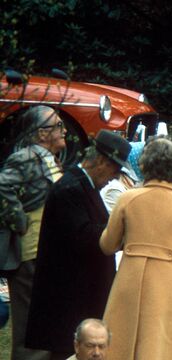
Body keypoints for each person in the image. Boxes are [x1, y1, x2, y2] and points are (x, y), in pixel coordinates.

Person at [25, 130, 131, 359]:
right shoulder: (70, 189)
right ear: (102, 161)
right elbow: (85, 238)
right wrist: (122, 233)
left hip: (82, 294)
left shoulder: (85, 185)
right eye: (115, 170)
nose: (115, 178)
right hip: (69, 299)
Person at [100, 137, 172, 359]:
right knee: (160, 345)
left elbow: (107, 245)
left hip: (129, 279)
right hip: (168, 283)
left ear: (144, 165)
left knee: (120, 344)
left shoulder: (127, 199)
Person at [0, 105, 66, 359]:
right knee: (32, 331)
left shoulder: (47, 159)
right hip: (31, 255)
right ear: (41, 134)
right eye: (58, 126)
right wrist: (20, 222)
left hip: (47, 254)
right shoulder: (26, 158)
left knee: (48, 325)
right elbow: (2, 188)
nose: (63, 131)